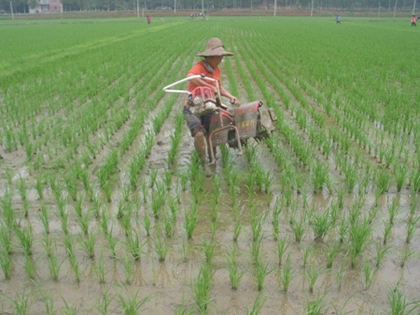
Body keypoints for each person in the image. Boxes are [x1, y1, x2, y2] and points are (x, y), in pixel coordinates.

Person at [184, 38, 239, 177]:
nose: (220, 59)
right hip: (193, 107)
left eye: (221, 57)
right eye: (218, 57)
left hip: (209, 105)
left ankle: (212, 159)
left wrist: (230, 96)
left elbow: (218, 87)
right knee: (199, 133)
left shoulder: (216, 69)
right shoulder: (200, 67)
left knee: (212, 134)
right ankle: (204, 164)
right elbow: (190, 76)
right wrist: (208, 86)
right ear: (209, 57)